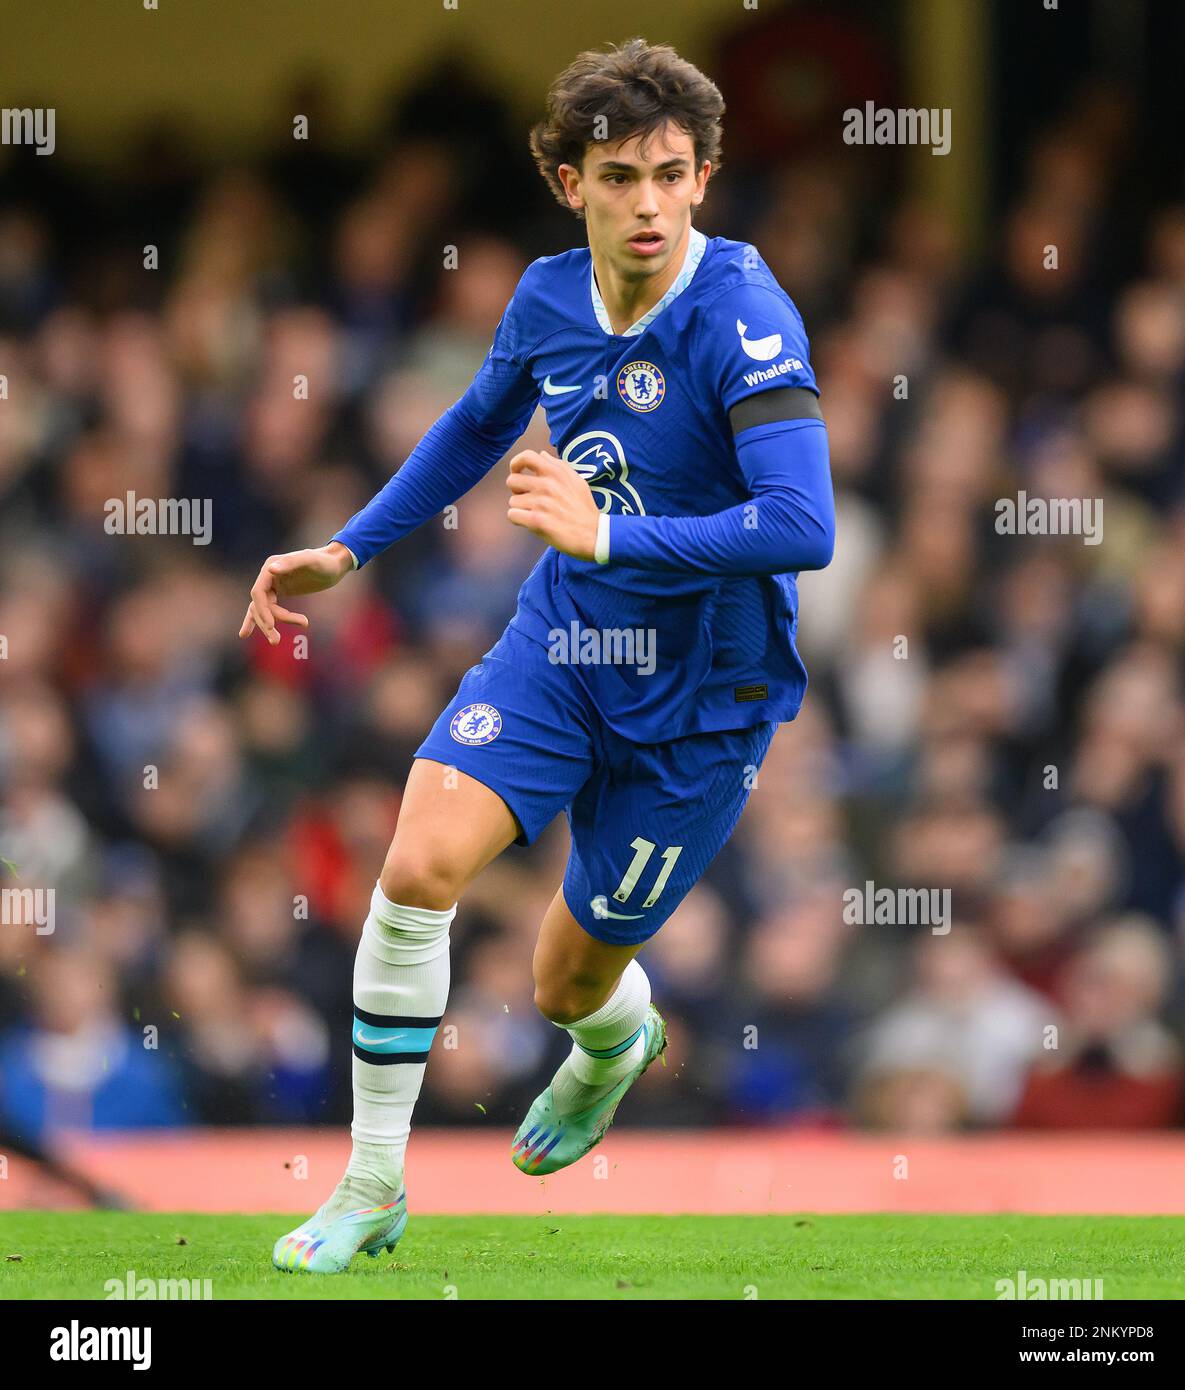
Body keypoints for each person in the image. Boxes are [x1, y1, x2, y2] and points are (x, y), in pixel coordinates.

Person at [242, 38, 835, 1274]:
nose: (649, 205)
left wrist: (608, 528)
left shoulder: (743, 314)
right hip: (564, 645)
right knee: (415, 866)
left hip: (706, 697)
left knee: (565, 980)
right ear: (572, 185)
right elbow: (471, 427)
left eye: (672, 175)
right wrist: (346, 553)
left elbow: (801, 526)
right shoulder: (547, 299)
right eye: (619, 177)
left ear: (707, 177)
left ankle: (615, 1044)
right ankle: (370, 1185)